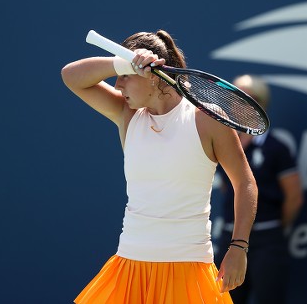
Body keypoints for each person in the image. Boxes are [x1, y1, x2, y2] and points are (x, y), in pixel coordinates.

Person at [61, 30, 258, 304]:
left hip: (189, 270)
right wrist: (124, 63)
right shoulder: (126, 114)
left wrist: (239, 246)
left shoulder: (207, 119)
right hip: (129, 267)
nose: (118, 85)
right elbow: (71, 76)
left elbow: (245, 183)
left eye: (126, 76)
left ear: (152, 76)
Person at [214, 75, 304, 304]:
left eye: (249, 98)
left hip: (267, 242)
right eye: (236, 97)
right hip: (228, 238)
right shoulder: (224, 141)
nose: (240, 103)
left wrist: (270, 229)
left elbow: (294, 197)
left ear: (261, 104)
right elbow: (228, 187)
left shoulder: (277, 148)